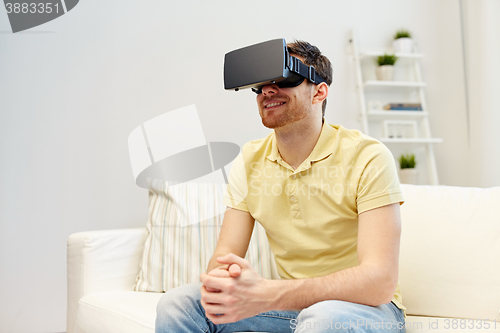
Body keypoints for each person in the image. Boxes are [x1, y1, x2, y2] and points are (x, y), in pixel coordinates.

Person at [155, 40, 406, 332]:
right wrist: (228, 281)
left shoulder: (368, 156)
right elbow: (224, 259)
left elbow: (379, 282)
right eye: (260, 85)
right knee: (178, 304)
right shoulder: (250, 160)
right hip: (291, 310)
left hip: (368, 310)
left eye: (284, 79)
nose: (267, 90)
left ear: (319, 92)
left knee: (321, 319)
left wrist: (268, 293)